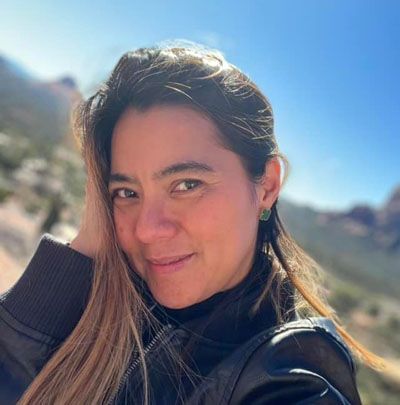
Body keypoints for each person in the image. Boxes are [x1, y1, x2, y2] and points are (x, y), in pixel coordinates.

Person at [0, 44, 384, 405]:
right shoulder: (104, 309)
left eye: (187, 185)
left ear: (267, 186)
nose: (147, 230)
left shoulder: (290, 377)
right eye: (127, 192)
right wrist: (83, 252)